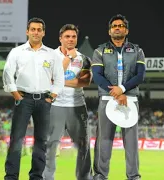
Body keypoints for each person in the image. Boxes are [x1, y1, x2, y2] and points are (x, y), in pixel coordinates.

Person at [2, 17, 65, 180]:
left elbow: (59, 78)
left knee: (41, 141)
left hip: (44, 101)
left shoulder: (51, 54)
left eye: (39, 29)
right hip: (24, 99)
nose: (36, 32)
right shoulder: (17, 52)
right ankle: (11, 176)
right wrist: (15, 93)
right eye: (33, 29)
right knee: (16, 139)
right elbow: (7, 74)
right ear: (27, 31)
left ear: (43, 32)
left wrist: (51, 97)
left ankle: (36, 176)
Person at [91, 14, 145, 180]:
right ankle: (100, 175)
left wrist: (121, 89)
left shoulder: (137, 50)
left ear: (126, 30)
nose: (117, 28)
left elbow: (140, 76)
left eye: (121, 25)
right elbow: (97, 76)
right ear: (109, 31)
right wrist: (115, 92)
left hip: (130, 100)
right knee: (104, 140)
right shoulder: (100, 50)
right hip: (108, 99)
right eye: (114, 25)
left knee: (131, 143)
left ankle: (133, 176)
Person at [43, 24, 93, 180]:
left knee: (83, 146)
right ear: (60, 38)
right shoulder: (49, 56)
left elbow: (85, 82)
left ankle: (84, 177)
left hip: (77, 107)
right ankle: (47, 177)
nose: (71, 39)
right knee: (51, 146)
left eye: (73, 36)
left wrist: (58, 80)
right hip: (55, 106)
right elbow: (47, 79)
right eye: (67, 36)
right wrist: (68, 58)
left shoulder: (84, 59)